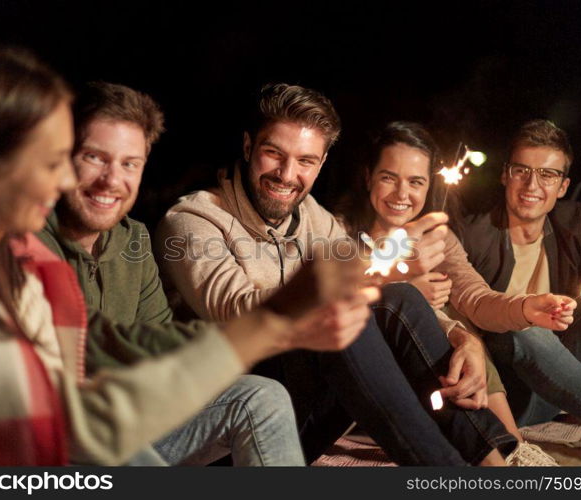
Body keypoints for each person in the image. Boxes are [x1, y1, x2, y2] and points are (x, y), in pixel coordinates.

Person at [0, 45, 373, 466]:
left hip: (105, 423)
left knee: (259, 394)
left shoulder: (37, 259)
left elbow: (123, 342)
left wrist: (282, 326)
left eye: (131, 163)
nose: (66, 180)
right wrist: (274, 321)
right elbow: (81, 431)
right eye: (65, 158)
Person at [156, 83, 519, 465]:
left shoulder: (314, 218)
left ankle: (491, 466)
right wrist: (375, 265)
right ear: (248, 148)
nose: (286, 174)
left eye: (306, 161)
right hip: (230, 430)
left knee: (396, 298)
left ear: (322, 163)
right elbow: (238, 312)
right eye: (273, 153)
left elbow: (394, 301)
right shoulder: (193, 221)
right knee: (347, 311)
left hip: (299, 419)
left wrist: (462, 337)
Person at [37, 81, 307, 466]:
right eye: (95, 157)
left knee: (261, 397)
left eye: (129, 163)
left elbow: (160, 347)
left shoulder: (133, 240)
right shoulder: (25, 236)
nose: (112, 180)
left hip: (128, 420)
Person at [337, 120, 571, 465]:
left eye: (416, 181)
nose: (402, 195)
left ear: (429, 185)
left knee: (461, 319)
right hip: (363, 387)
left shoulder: (437, 237)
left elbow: (475, 296)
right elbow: (334, 302)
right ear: (369, 176)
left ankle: (509, 450)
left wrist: (526, 307)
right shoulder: (338, 232)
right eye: (389, 177)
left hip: (436, 385)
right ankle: (505, 449)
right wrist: (402, 284)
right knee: (425, 307)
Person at [454, 119, 581, 436]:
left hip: (563, 376)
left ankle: (576, 398)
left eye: (547, 174)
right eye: (522, 171)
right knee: (524, 330)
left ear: (563, 187)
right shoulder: (472, 235)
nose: (532, 185)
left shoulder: (575, 222)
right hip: (505, 394)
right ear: (505, 175)